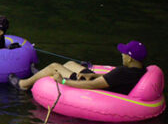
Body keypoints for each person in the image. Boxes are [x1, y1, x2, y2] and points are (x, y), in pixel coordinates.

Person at [10, 40, 149, 94]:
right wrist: (93, 74)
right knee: (70, 64)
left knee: (54, 66)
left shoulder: (122, 72)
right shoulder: (140, 69)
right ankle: (41, 75)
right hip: (105, 82)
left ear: (129, 58)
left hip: (96, 89)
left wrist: (63, 81)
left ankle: (24, 84)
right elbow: (111, 79)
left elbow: (92, 85)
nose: (122, 55)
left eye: (123, 54)